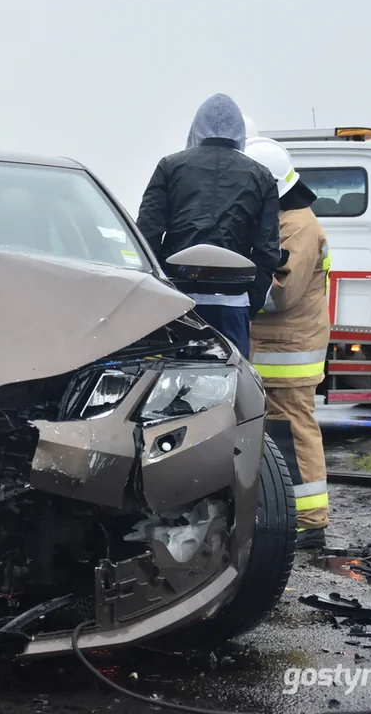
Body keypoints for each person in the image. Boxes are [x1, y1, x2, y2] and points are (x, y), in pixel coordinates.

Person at [136, 94, 281, 358]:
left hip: (178, 302)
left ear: (195, 130)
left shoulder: (170, 167)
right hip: (233, 303)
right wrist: (250, 303)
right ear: (240, 134)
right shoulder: (262, 176)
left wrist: (161, 293)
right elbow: (267, 252)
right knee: (232, 384)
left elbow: (147, 237)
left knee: (173, 387)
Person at [244, 136, 332, 550]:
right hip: (280, 350)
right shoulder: (291, 219)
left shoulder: (297, 226)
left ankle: (309, 521)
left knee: (294, 433)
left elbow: (281, 294)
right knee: (282, 433)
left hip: (288, 352)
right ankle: (291, 514)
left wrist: (237, 287)